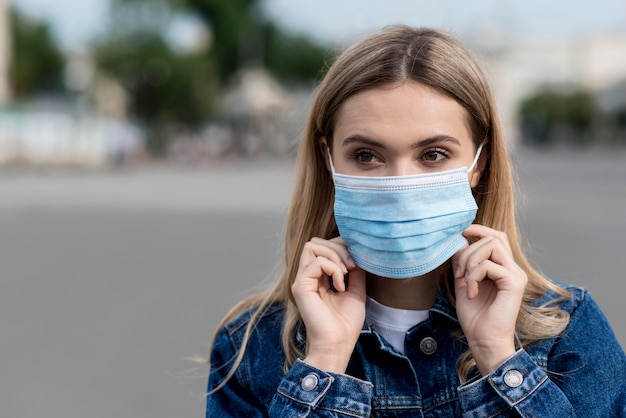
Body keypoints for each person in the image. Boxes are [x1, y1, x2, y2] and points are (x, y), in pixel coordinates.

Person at [205, 26, 626, 417]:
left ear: (480, 163)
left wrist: (499, 357)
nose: (400, 185)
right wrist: (325, 361)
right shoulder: (250, 348)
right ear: (328, 158)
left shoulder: (565, 333)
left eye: (434, 155)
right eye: (367, 156)